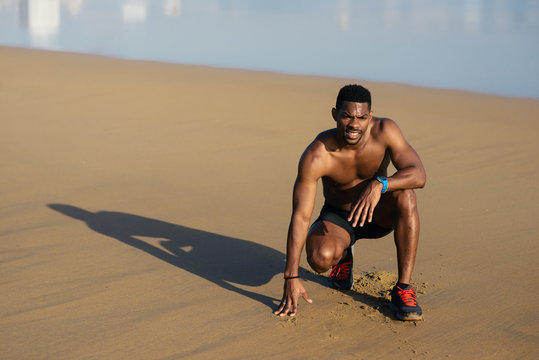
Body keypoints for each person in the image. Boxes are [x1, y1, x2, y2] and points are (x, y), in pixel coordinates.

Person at [273, 84, 426, 321]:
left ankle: (403, 289)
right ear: (335, 114)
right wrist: (291, 276)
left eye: (362, 117)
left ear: (370, 117)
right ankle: (343, 255)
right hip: (339, 217)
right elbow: (301, 216)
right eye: (347, 116)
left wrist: (379, 184)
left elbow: (418, 174)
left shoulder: (386, 130)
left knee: (406, 194)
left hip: (378, 212)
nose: (354, 124)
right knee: (319, 258)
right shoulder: (318, 154)